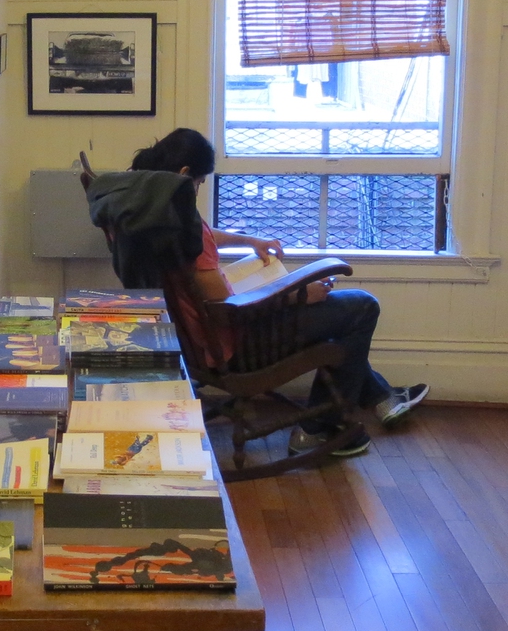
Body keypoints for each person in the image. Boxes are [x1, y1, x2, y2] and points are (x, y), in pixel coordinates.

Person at [129, 128, 426, 459]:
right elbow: (224, 306)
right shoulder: (179, 217)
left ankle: (381, 398)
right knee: (362, 307)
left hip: (198, 341)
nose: (198, 190)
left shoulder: (156, 211)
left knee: (339, 325)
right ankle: (317, 429)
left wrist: (249, 241)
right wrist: (300, 294)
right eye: (199, 183)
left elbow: (204, 236)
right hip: (235, 344)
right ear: (185, 175)